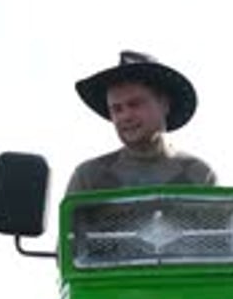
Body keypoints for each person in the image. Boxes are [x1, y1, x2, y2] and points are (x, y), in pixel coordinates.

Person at [66, 50, 217, 193]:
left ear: (164, 104)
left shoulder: (199, 176)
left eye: (135, 104)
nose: (126, 116)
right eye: (117, 109)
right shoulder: (89, 178)